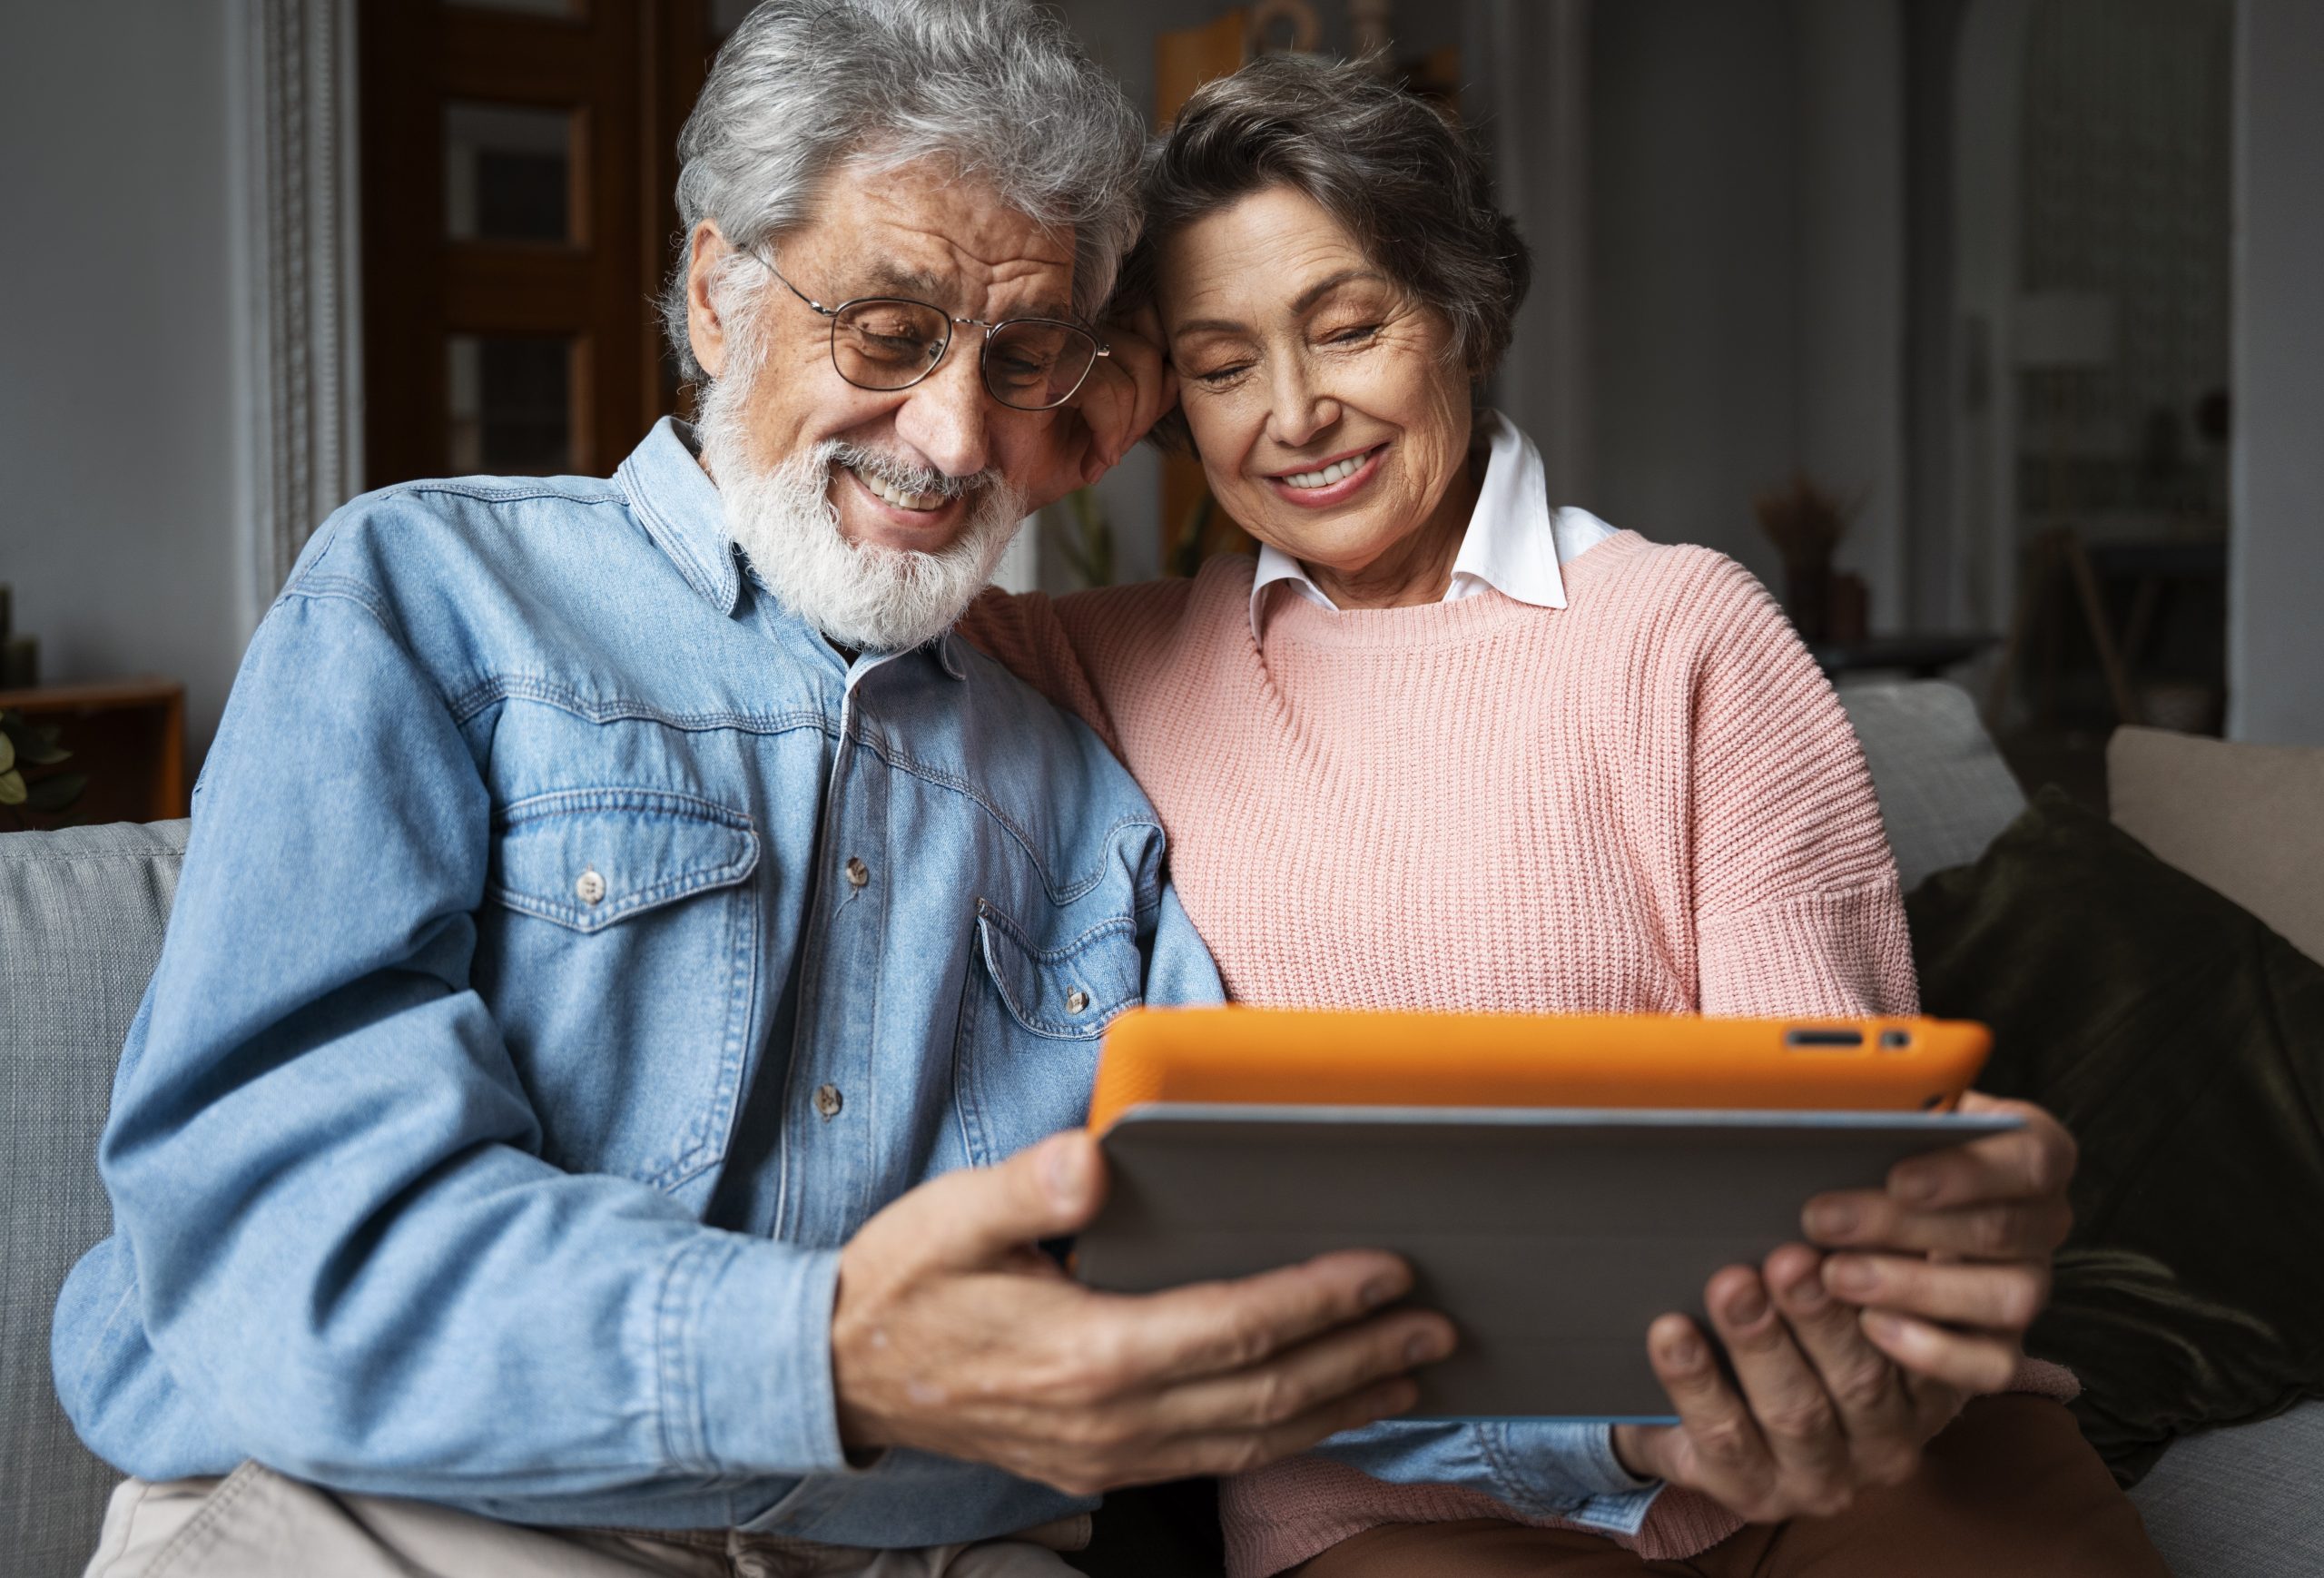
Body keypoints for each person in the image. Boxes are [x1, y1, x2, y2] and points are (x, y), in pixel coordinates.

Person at [49, 8, 1461, 1575]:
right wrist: (823, 1353)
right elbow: (278, 1235)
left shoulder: (1086, 791)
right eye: (888, 330)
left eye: (1021, 356)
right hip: (410, 1517)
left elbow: (1242, 1273)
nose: (953, 434)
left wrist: (1624, 1439)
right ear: (720, 293)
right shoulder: (433, 598)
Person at [958, 54, 2168, 1578]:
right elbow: (864, 602)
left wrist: (1808, 1362)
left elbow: (1836, 1146)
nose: (1295, 412)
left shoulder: (1685, 631)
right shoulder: (1103, 661)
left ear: (1463, 313)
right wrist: (1050, 419)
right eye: (1217, 364)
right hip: (1397, 1491)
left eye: (1348, 327)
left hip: (1806, 1440)